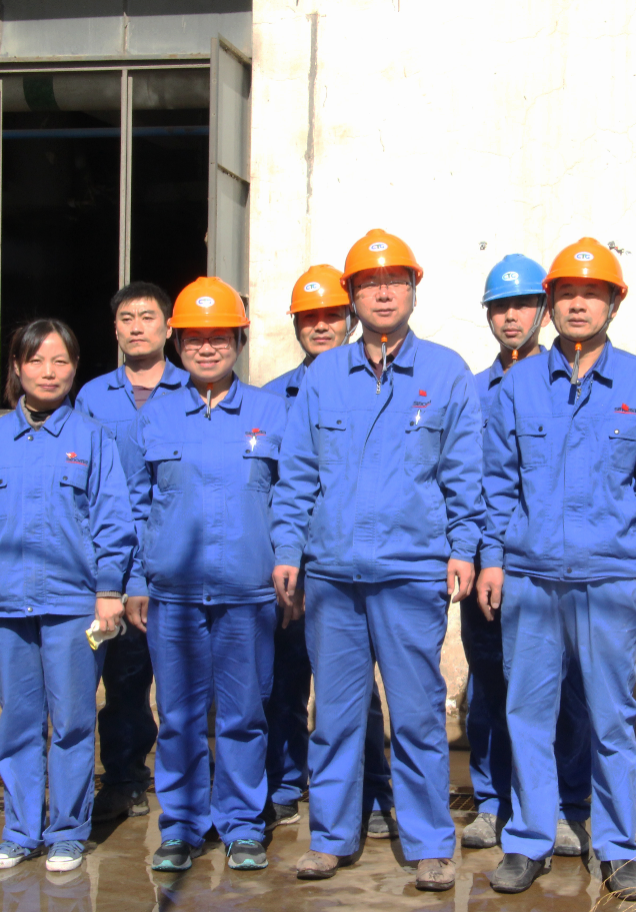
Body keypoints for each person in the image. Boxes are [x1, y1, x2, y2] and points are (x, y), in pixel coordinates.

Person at [271, 228, 483, 891]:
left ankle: (428, 843)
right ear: (352, 297)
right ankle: (331, 838)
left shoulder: (445, 372)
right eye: (369, 283)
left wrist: (464, 548)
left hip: (411, 574)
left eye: (395, 281)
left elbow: (464, 472)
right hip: (333, 576)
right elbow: (297, 472)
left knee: (417, 715)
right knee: (334, 717)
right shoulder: (324, 376)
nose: (383, 293)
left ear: (414, 289)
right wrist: (287, 549)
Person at [477, 238, 636, 901]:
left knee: (611, 719)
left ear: (613, 303)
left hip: (610, 578)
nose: (577, 304)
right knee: (528, 715)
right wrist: (491, 559)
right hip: (531, 579)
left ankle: (617, 848)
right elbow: (497, 483)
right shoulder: (518, 384)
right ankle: (529, 840)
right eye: (566, 293)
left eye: (591, 293)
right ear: (550, 304)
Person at [0, 319, 134, 873]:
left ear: (75, 368)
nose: (48, 372)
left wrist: (109, 589)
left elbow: (114, 520)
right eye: (36, 360)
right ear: (17, 367)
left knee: (72, 721)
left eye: (60, 361)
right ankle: (21, 831)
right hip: (5, 605)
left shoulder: (92, 439)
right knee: (19, 721)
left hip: (73, 606)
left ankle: (68, 831)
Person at [120, 277, 287, 874]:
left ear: (239, 341)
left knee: (244, 715)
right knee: (180, 717)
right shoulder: (156, 416)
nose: (208, 348)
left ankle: (241, 824)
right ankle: (183, 825)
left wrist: (288, 573)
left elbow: (291, 501)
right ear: (177, 343)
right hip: (174, 595)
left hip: (248, 593)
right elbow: (134, 505)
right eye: (195, 337)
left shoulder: (270, 412)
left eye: (220, 337)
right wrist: (134, 581)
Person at [460, 253, 592, 855]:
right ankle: (493, 802)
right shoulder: (471, 391)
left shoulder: (568, 381)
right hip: (491, 565)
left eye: (521, 305)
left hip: (551, 565)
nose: (510, 317)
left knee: (565, 690)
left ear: (543, 309)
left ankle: (563, 803)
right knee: (490, 685)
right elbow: (465, 478)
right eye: (499, 307)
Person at [263, 264, 395, 838]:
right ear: (296, 325)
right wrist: (284, 556)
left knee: (355, 691)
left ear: (349, 319)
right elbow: (277, 483)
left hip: (346, 565)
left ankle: (374, 787)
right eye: (308, 318)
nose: (320, 327)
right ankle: (288, 784)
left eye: (330, 316)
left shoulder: (375, 387)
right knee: (287, 681)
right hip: (296, 562)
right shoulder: (271, 398)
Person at [74, 281, 187, 822]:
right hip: (114, 560)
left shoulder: (194, 389)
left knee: (186, 681)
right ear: (115, 329)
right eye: (126, 318)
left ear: (168, 327)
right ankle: (124, 778)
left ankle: (191, 783)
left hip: (179, 555)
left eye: (147, 316)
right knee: (122, 679)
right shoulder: (92, 397)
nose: (137, 327)